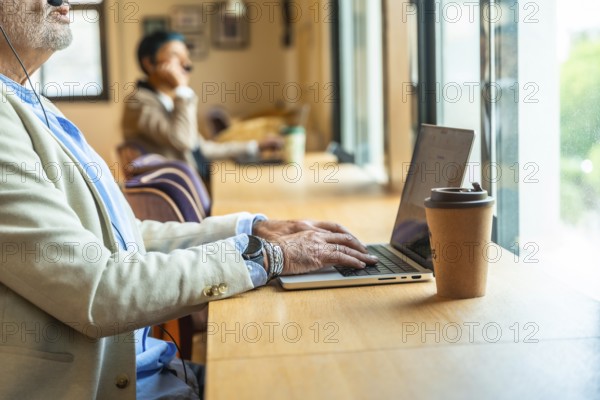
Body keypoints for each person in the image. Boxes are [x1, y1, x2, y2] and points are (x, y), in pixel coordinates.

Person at [0, 1, 377, 399]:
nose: (63, 0)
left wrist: (250, 229)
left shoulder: (30, 102)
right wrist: (266, 256)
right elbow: (98, 289)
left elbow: (124, 237)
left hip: (155, 368)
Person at [121, 30, 283, 178]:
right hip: (179, 194)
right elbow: (184, 141)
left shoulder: (167, 101)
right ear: (149, 63)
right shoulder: (138, 102)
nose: (187, 65)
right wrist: (182, 89)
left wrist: (255, 146)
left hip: (193, 184)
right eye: (176, 56)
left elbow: (201, 148)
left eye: (187, 57)